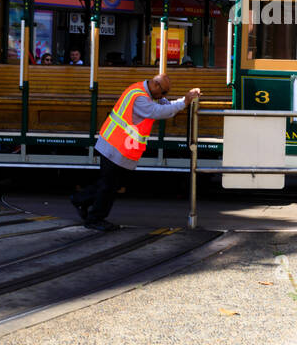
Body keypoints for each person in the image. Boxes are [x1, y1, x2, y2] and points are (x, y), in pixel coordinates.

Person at [70, 73, 200, 231]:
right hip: (114, 145)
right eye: (164, 92)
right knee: (108, 186)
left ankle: (80, 200)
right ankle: (94, 219)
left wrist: (184, 100)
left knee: (110, 184)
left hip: (116, 145)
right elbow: (158, 112)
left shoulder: (145, 92)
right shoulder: (140, 98)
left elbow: (166, 107)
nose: (164, 96)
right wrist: (185, 101)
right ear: (156, 85)